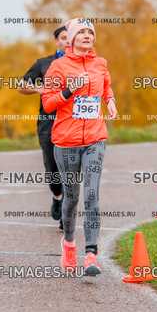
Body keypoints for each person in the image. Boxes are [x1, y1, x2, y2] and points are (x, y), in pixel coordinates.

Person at [42, 18, 118, 276]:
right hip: (66, 141)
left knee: (92, 195)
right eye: (82, 32)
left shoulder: (100, 63)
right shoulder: (58, 67)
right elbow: (48, 104)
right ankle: (69, 244)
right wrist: (69, 91)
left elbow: (106, 85)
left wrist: (110, 101)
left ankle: (91, 255)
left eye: (90, 32)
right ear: (72, 38)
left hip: (95, 139)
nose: (87, 36)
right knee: (72, 197)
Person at [19, 25, 68, 230]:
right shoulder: (43, 64)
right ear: (56, 41)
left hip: (72, 122)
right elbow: (22, 86)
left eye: (70, 37)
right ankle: (57, 196)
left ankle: (67, 214)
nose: (67, 41)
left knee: (70, 168)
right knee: (52, 169)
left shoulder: (81, 63)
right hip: (49, 121)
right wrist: (40, 88)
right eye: (63, 37)